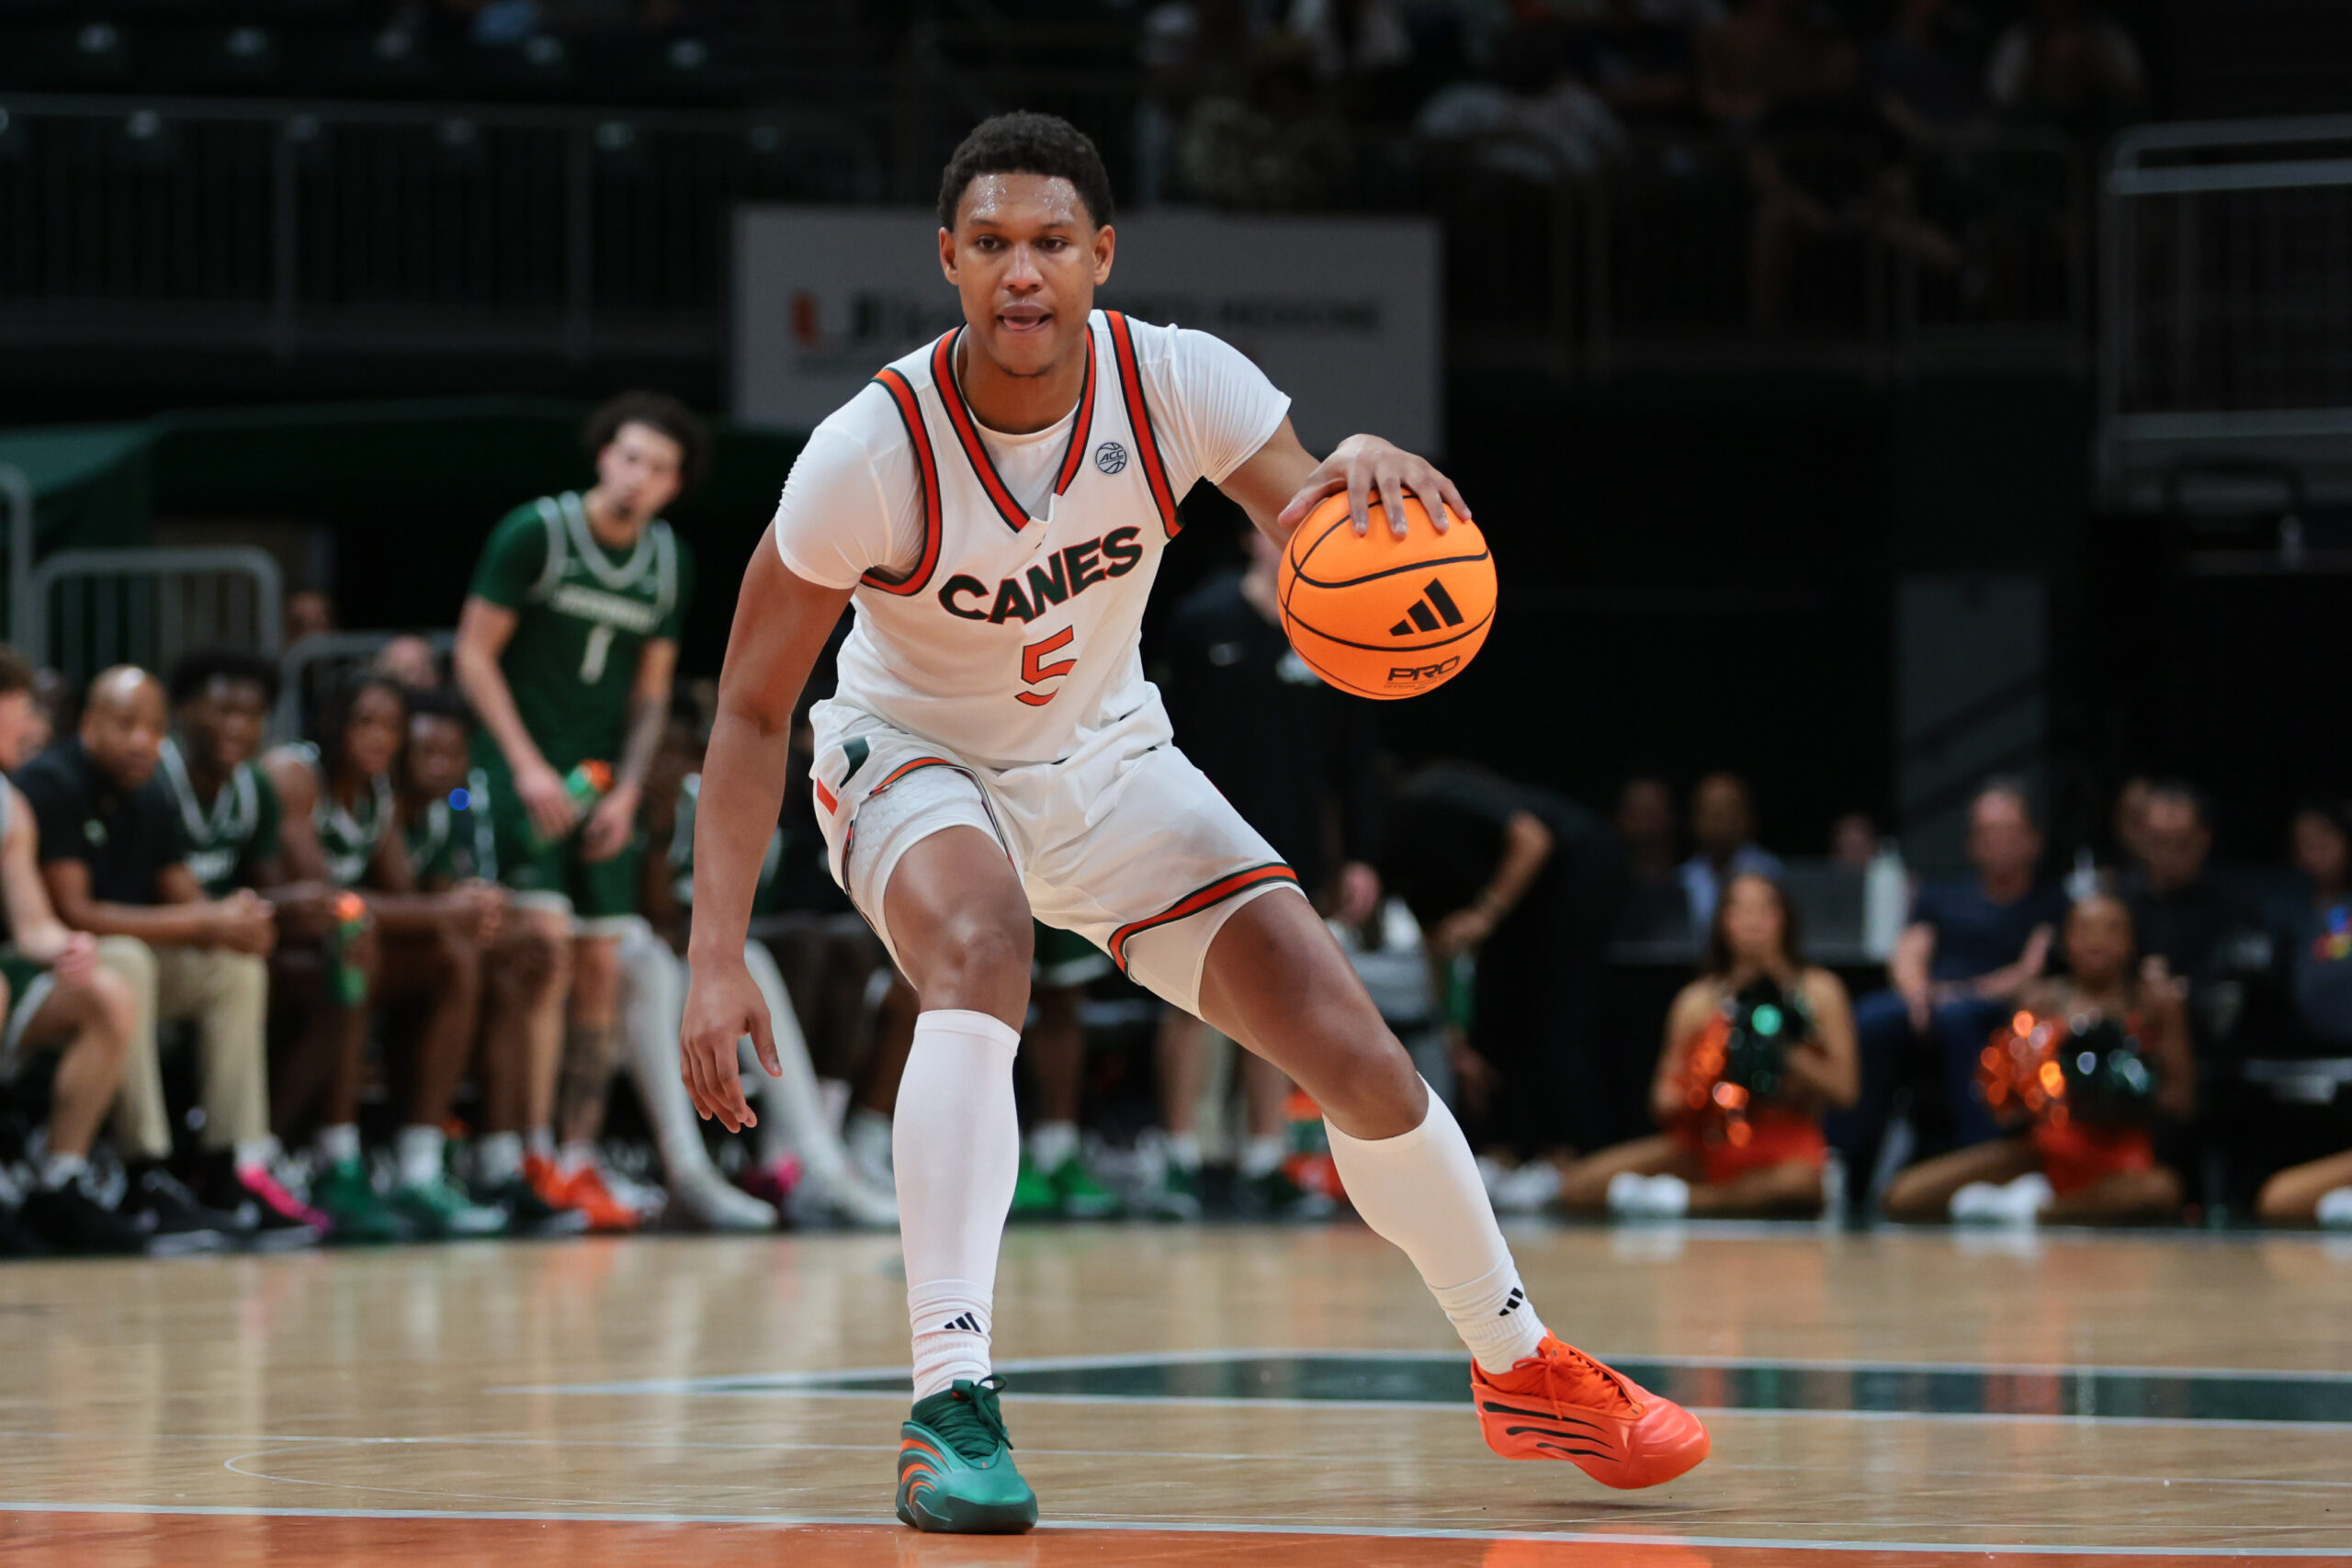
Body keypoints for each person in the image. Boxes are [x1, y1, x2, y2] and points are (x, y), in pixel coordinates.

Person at [678, 113, 1709, 1535]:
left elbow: (1317, 525)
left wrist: (1358, 472)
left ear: (1101, 255)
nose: (1021, 271)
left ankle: (1521, 1360)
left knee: (1351, 1046)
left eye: (1050, 241)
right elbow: (745, 711)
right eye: (990, 245)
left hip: (1108, 756)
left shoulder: (1179, 384)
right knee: (981, 944)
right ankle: (949, 1402)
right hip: (909, 754)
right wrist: (713, 953)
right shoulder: (870, 450)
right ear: (949, 262)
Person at [453, 389, 703, 1232]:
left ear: (675, 486)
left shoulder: (669, 562)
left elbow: (651, 696)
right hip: (523, 773)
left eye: (660, 468)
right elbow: (473, 655)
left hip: (602, 788)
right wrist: (524, 765)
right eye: (630, 457)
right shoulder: (537, 532)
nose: (640, 477)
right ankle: (522, 1154)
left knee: (603, 967)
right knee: (544, 955)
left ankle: (578, 1157)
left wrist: (631, 789)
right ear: (603, 457)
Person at [1148, 511, 1384, 1218]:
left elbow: (1356, 760)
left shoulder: (1333, 630)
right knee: (1183, 996)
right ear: (1250, 534)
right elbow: (1157, 734)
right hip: (1195, 842)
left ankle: (1263, 1157)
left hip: (1292, 853)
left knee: (1277, 1004)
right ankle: (1183, 1156)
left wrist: (1362, 855)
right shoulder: (1200, 620)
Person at [17, 667, 295, 1249]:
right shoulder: (53, 783)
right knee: (127, 959)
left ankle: (231, 1164)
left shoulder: (150, 795)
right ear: (89, 726)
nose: (143, 741)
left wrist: (235, 926)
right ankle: (143, 1168)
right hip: (57, 969)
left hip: (113, 963)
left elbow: (185, 895)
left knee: (233, 970)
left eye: (154, 728)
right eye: (125, 725)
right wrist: (202, 921)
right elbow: (74, 913)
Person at [629, 695, 897, 1229]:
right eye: (670, 752)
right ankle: (690, 1172)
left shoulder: (746, 799)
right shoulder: (630, 804)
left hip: (693, 960)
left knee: (770, 953)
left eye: (687, 752)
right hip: (627, 971)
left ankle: (813, 1158)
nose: (679, 765)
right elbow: (650, 909)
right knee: (658, 960)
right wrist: (657, 821)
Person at [266, 673, 512, 1240]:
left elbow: (404, 897)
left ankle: (418, 1164)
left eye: (392, 727)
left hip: (341, 949)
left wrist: (464, 908)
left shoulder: (376, 791)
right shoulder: (294, 776)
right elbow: (329, 899)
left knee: (452, 956)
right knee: (363, 944)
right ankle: (336, 1157)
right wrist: (447, 910)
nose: (380, 738)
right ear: (332, 724)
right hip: (276, 944)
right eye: (365, 722)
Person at [1560, 873, 1857, 1219]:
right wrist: (1708, 1074)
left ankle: (1685, 1202)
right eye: (1739, 910)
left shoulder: (1819, 991)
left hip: (1785, 1142)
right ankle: (1711, 1198)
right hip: (1706, 1142)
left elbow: (1846, 1091)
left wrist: (1782, 1052)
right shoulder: (1697, 1001)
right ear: (1722, 922)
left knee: (1798, 1187)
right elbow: (1661, 1100)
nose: (1752, 922)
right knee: (1580, 1186)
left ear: (1785, 918)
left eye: (1765, 909)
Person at [393, 688, 581, 1234]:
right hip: (376, 957)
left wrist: (498, 926)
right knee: (465, 961)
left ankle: (501, 1158)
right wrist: (457, 915)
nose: (435, 764)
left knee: (519, 957)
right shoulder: (390, 807)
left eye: (447, 754)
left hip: (420, 951)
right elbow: (411, 903)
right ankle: (416, 1165)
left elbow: (441, 902)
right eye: (423, 751)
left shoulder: (451, 811)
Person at [1883, 894, 2190, 1224]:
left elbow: (2182, 1100)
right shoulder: (2037, 999)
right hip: (2042, 1152)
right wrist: (2040, 1095)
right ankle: (2031, 1199)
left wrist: (2121, 1092)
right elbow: (2003, 1094)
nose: (2097, 941)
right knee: (1904, 1195)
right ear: (2065, 939)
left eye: (2112, 930)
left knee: (2161, 1191)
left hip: (2120, 1158)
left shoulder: (2154, 1002)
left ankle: (2035, 1211)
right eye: (2084, 930)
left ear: (2132, 941)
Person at [1382, 761, 1629, 1169]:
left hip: (1575, 866)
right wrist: (1452, 1037)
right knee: (1494, 1015)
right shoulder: (1397, 860)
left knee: (1556, 1008)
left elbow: (1532, 839)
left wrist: (1486, 913)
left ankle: (1563, 1154)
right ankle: (1502, 1151)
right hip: (1512, 901)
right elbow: (1436, 948)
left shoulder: (1437, 791)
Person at [1835, 777, 2067, 1190]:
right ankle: (1846, 1163)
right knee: (1870, 1017)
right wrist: (1916, 993)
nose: (1994, 842)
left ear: (2033, 841)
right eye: (1984, 833)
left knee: (1959, 1020)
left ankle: (1977, 1166)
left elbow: (2029, 970)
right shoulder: (1942, 894)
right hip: (1929, 998)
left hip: (1995, 1004)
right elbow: (1910, 949)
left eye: (2006, 832)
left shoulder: (2051, 901)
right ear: (1971, 842)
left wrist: (1958, 995)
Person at [0, 647, 149, 1254]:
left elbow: (31, 922)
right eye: (21, 711)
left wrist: (67, 942)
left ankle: (57, 1182)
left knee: (108, 994)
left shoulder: (10, 806)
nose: (35, 727)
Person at [1679, 772, 1781, 929]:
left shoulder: (1773, 874)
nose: (1719, 819)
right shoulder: (1681, 880)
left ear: (1748, 816)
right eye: (1711, 811)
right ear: (1693, 820)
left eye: (1728, 809)